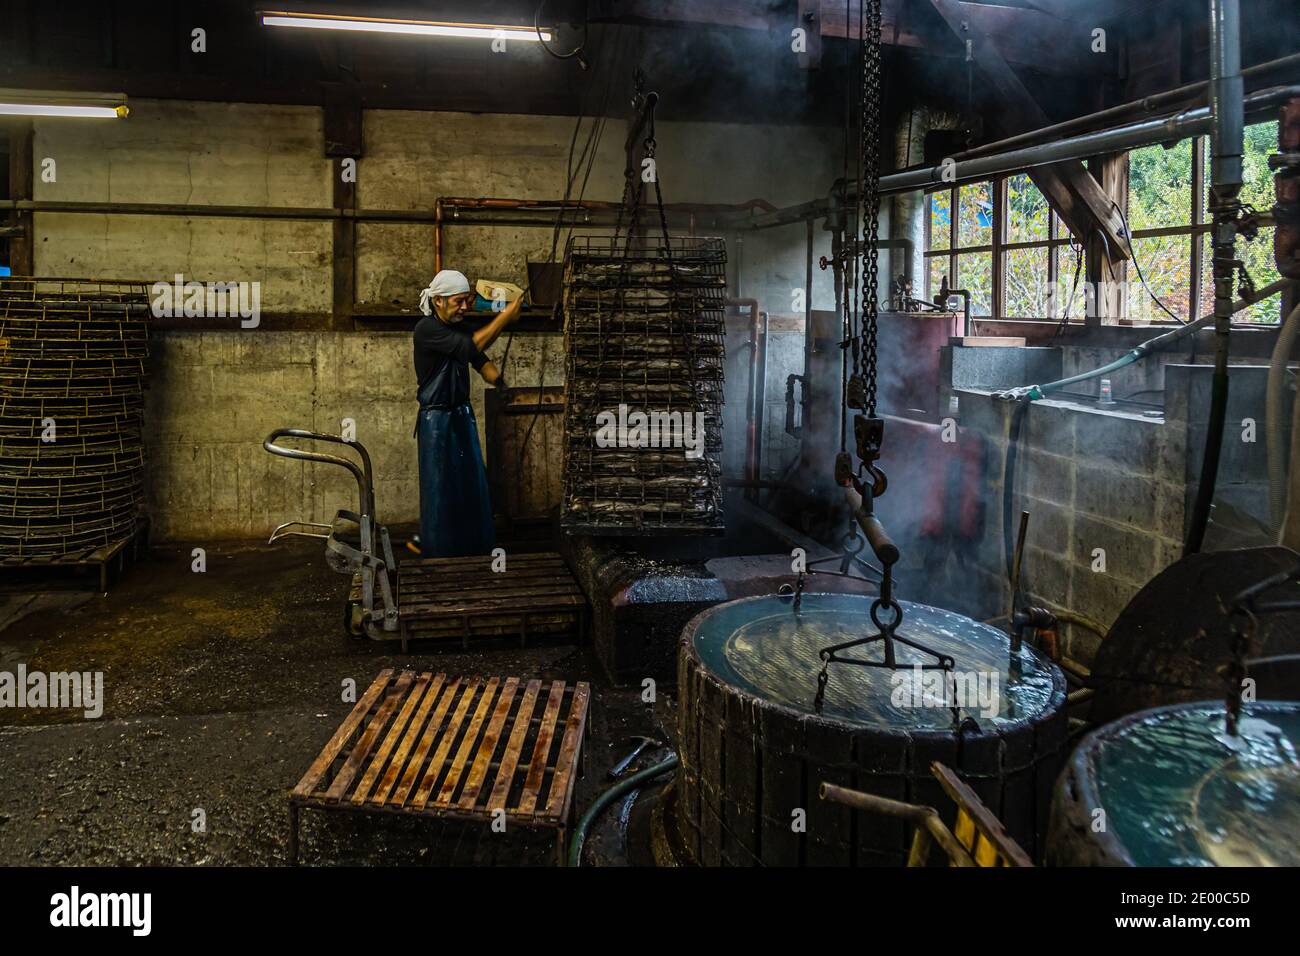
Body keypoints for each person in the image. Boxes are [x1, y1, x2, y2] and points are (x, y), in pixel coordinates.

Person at [411, 269, 522, 557]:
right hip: (436, 421)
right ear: (437, 301)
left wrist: (500, 383)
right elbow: (475, 345)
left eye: (466, 301)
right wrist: (505, 317)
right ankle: (439, 552)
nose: (464, 307)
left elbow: (480, 360)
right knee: (440, 488)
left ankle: (475, 548)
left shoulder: (458, 327)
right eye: (458, 302)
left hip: (461, 416)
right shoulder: (427, 330)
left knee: (471, 484)